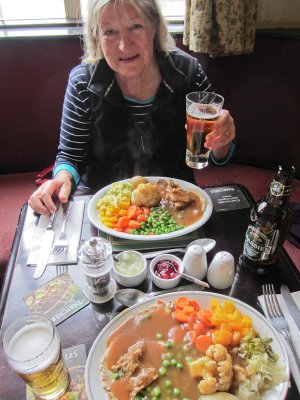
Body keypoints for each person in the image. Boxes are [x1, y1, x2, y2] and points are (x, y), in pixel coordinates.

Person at [29, 0, 235, 215]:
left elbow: (214, 153)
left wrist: (223, 141)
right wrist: (61, 179)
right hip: (103, 204)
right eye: (110, 32)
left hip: (175, 199)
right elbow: (71, 156)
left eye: (135, 27)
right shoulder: (82, 82)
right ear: (96, 36)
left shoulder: (188, 72)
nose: (124, 46)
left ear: (154, 27)